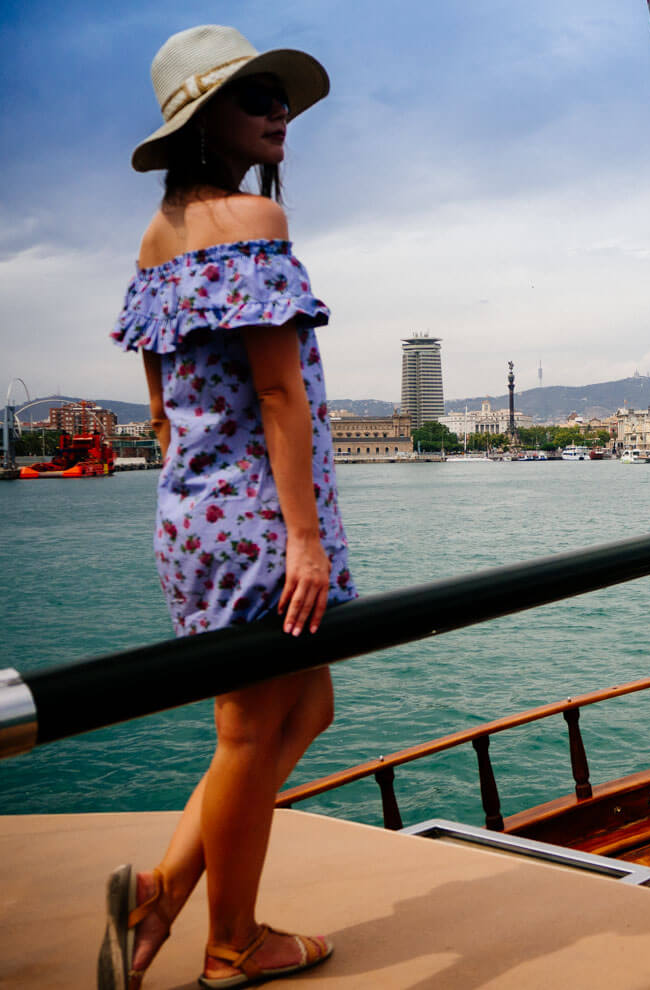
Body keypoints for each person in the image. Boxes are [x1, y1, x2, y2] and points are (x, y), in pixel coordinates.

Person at [99, 24, 356, 990]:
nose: (278, 112)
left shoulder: (155, 240)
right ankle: (231, 942)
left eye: (279, 96)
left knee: (310, 706)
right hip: (261, 521)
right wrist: (301, 537)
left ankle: (161, 892)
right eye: (256, 100)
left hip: (193, 517)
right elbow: (282, 395)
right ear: (209, 124)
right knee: (250, 733)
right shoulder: (252, 227)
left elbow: (165, 412)